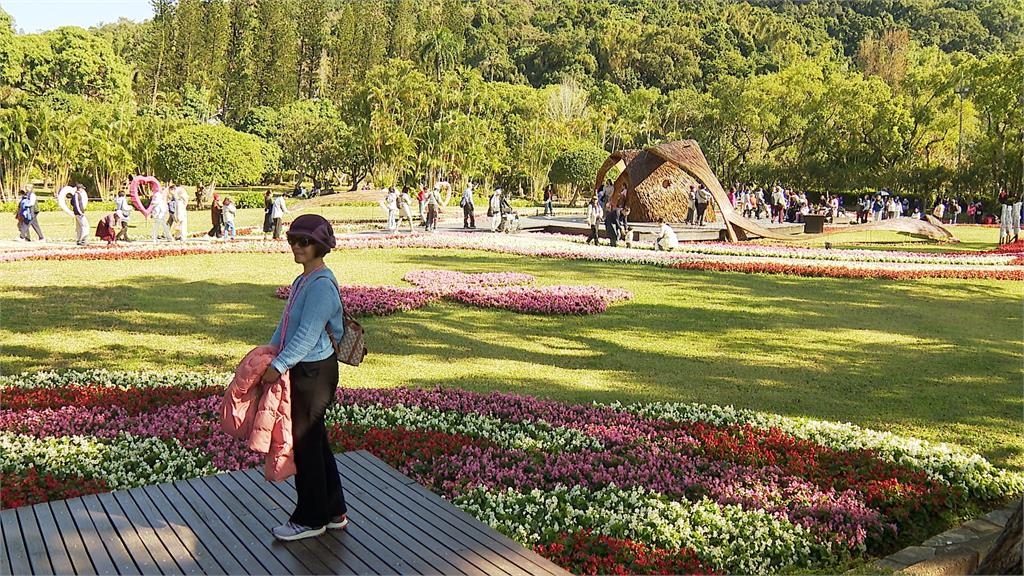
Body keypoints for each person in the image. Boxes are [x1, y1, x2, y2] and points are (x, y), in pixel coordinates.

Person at [264, 214, 348, 542]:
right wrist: (269, 351)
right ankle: (333, 510)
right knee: (316, 443)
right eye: (293, 241)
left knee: (305, 446)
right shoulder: (304, 281)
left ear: (320, 246)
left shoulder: (322, 286)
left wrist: (278, 366)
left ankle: (311, 519)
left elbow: (307, 335)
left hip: (315, 373)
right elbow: (288, 324)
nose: (297, 247)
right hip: (305, 368)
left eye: (305, 242)